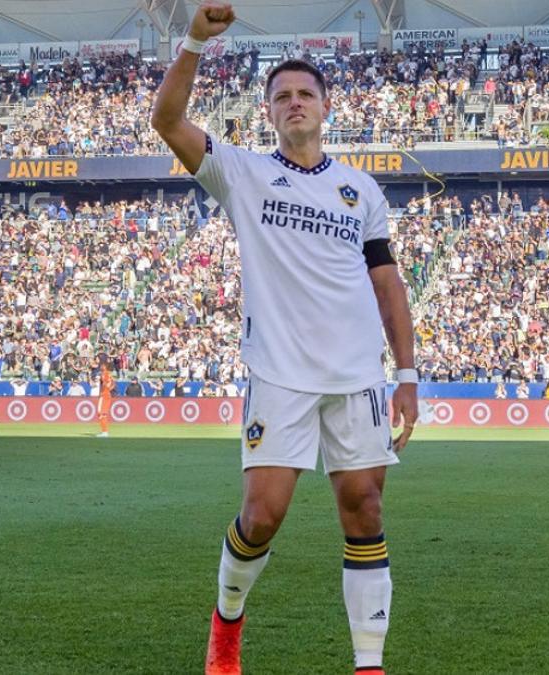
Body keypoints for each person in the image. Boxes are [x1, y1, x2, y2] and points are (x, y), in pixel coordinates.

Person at [152, 5, 419, 674]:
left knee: (365, 507)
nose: (295, 103)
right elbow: (166, 120)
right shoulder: (241, 173)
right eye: (282, 97)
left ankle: (368, 662)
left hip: (358, 375)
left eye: (305, 94)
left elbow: (387, 284)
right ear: (268, 112)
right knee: (262, 516)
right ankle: (226, 626)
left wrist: (408, 373)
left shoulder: (360, 190)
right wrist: (193, 42)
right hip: (281, 373)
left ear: (326, 106)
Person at [97, 357, 115, 438]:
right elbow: (113, 384)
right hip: (106, 394)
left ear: (105, 366)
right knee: (103, 413)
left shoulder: (105, 374)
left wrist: (106, 389)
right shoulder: (106, 374)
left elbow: (108, 384)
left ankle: (104, 432)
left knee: (100, 413)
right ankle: (104, 431)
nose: (101, 366)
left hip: (104, 395)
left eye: (102, 365)